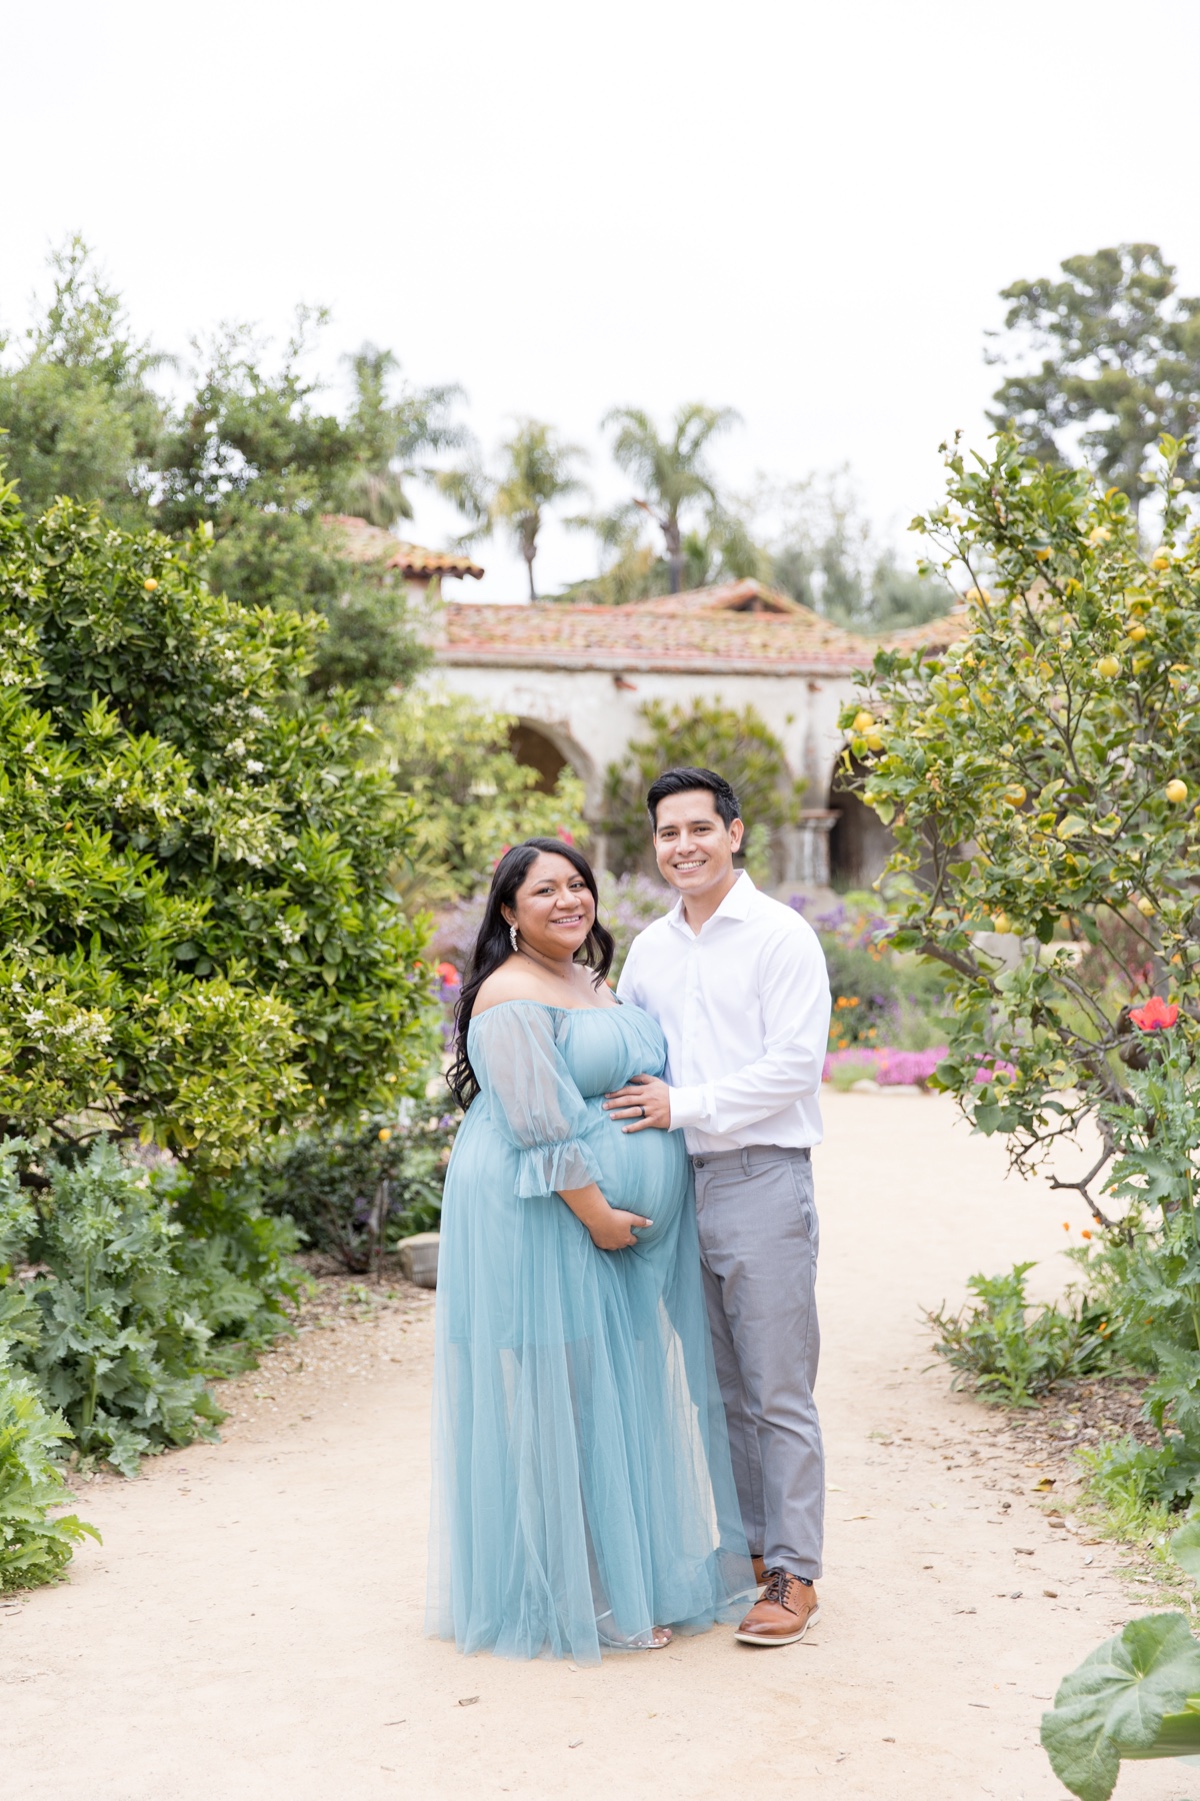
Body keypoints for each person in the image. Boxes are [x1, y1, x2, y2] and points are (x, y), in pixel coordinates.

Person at [427, 837, 753, 1663]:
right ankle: (591, 1598)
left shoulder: (585, 976)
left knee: (610, 1399)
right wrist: (599, 1211)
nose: (569, 900)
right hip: (549, 1219)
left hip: (602, 1227)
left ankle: (621, 1573)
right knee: (568, 1404)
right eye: (545, 891)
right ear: (508, 910)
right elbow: (537, 1125)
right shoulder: (507, 994)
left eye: (578, 885)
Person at [606, 769, 831, 1648]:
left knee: (778, 1386)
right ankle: (742, 1552)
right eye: (668, 832)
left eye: (701, 827)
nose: (684, 845)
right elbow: (630, 1053)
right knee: (716, 1388)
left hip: (760, 1178)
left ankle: (795, 1570)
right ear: (655, 844)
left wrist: (682, 1104)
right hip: (674, 1185)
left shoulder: (781, 936)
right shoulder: (650, 950)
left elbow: (793, 1067)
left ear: (735, 833)